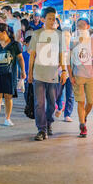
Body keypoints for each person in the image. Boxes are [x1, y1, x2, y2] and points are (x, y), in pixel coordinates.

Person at [28, 7, 68, 141]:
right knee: (39, 103)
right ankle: (41, 129)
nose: (52, 21)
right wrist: (29, 74)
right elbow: (32, 55)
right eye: (49, 18)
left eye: (54, 18)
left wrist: (64, 71)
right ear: (43, 19)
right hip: (38, 74)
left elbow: (62, 54)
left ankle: (49, 122)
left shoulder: (59, 35)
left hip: (53, 75)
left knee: (52, 103)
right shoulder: (37, 34)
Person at [0, 23, 26, 129]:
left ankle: (7, 118)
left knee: (8, 97)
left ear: (4, 33)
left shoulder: (15, 45)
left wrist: (23, 71)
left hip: (10, 74)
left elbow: (20, 58)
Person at [68, 17, 93, 137]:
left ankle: (84, 116)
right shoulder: (73, 41)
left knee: (90, 102)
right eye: (78, 25)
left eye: (82, 25)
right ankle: (82, 125)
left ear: (88, 26)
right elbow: (68, 61)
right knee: (81, 101)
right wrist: (70, 76)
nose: (80, 27)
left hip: (90, 76)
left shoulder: (92, 42)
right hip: (78, 76)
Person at [56, 28, 75, 122]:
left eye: (68, 36)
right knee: (58, 93)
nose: (66, 38)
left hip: (70, 74)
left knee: (70, 94)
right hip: (59, 73)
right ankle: (59, 107)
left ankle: (67, 114)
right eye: (64, 36)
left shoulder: (73, 49)